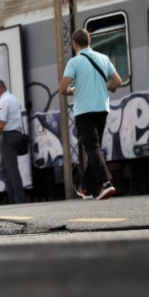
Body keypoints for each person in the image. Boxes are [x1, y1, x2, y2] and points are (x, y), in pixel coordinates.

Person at [58, 28, 123, 200]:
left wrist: (72, 90)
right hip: (102, 108)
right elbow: (118, 82)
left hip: (84, 111)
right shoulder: (104, 58)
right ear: (89, 41)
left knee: (92, 148)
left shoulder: (74, 62)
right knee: (95, 149)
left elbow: (62, 88)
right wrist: (105, 87)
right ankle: (86, 189)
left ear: (74, 44)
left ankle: (106, 183)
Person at [0, 80, 25, 204]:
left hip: (8, 136)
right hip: (16, 134)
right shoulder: (13, 98)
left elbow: (1, 124)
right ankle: (13, 198)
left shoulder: (3, 101)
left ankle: (19, 200)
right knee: (3, 170)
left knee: (11, 170)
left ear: (2, 88)